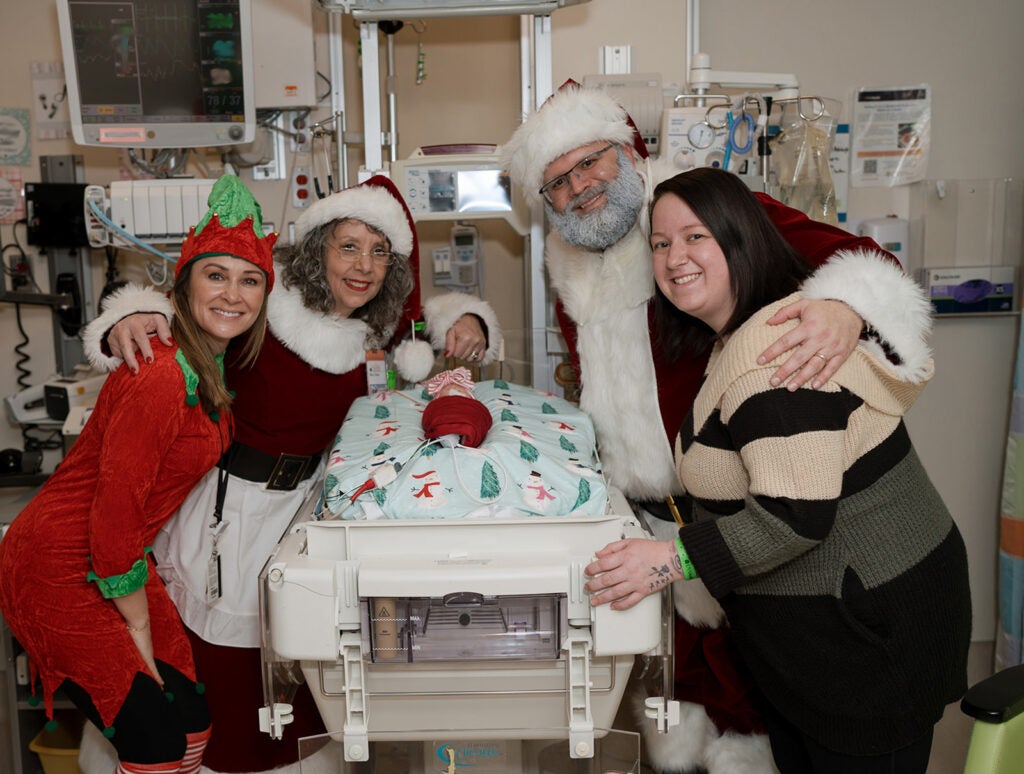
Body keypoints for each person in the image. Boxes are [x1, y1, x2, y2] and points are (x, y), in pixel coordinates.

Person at [500, 82, 930, 773]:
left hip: (747, 519)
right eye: (557, 182)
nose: (579, 187)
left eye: (591, 163)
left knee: (769, 712)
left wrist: (844, 312)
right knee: (679, 705)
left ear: (627, 152)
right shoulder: (569, 260)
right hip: (653, 526)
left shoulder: (690, 213)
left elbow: (864, 264)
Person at [79, 176, 502, 774]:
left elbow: (428, 320)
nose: (364, 266)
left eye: (380, 251)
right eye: (349, 246)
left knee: (296, 684)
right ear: (317, 248)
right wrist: (132, 319)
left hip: (308, 516)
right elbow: (193, 312)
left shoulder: (377, 329)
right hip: (227, 513)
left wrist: (469, 321)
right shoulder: (263, 307)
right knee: (216, 679)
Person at [584, 166, 971, 774]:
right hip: (819, 636)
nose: (673, 257)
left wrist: (666, 560)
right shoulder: (735, 336)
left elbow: (795, 518)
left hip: (867, 640)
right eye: (660, 244)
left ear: (739, 236)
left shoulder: (773, 359)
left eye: (695, 237)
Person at [0, 174, 275, 774]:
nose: (233, 294)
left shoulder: (209, 368)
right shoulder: (160, 375)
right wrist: (140, 628)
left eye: (250, 280)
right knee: (155, 742)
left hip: (115, 558)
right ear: (184, 284)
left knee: (195, 725)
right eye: (216, 275)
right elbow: (117, 510)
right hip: (57, 565)